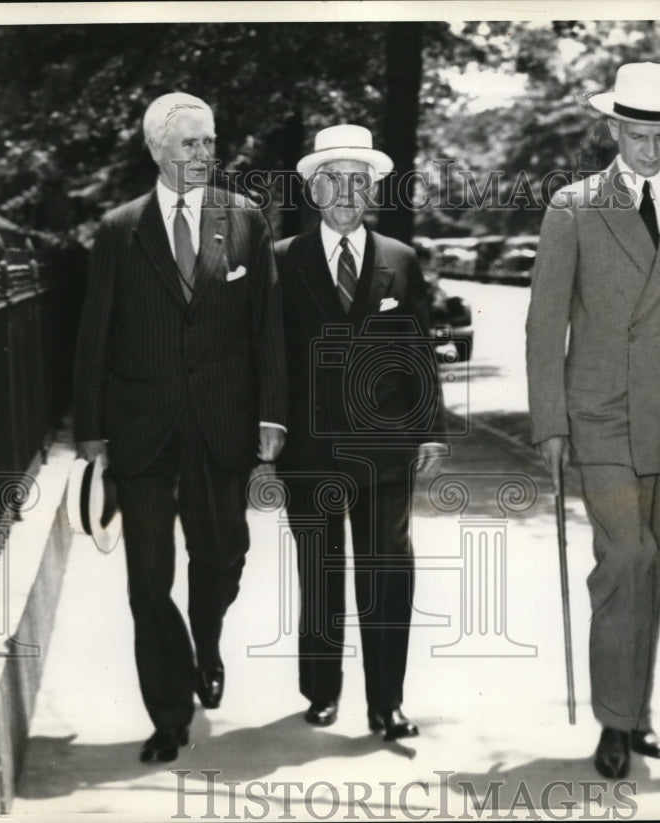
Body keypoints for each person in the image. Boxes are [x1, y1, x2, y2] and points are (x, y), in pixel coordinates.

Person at [525, 63, 660, 778]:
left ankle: (637, 708)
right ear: (614, 129)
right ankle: (614, 722)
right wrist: (549, 424)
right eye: (636, 134)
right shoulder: (573, 206)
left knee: (656, 568)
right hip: (599, 414)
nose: (649, 150)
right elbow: (544, 322)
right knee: (627, 557)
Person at [74, 92, 286, 763]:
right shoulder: (120, 227)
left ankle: (208, 637)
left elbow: (267, 328)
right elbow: (94, 331)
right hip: (143, 427)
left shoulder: (245, 217)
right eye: (190, 144)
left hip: (223, 423)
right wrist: (91, 428)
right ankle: (168, 712)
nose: (204, 154)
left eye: (210, 141)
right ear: (159, 150)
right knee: (147, 576)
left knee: (222, 554)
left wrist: (272, 414)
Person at [273, 124, 445, 741]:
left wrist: (431, 431)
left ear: (372, 190)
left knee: (387, 570)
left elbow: (419, 348)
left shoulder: (400, 259)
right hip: (309, 448)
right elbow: (270, 355)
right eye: (333, 180)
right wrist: (268, 425)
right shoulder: (282, 260)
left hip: (385, 446)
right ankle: (321, 692)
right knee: (319, 569)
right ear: (313, 189)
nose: (346, 192)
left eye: (358, 181)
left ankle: (386, 704)